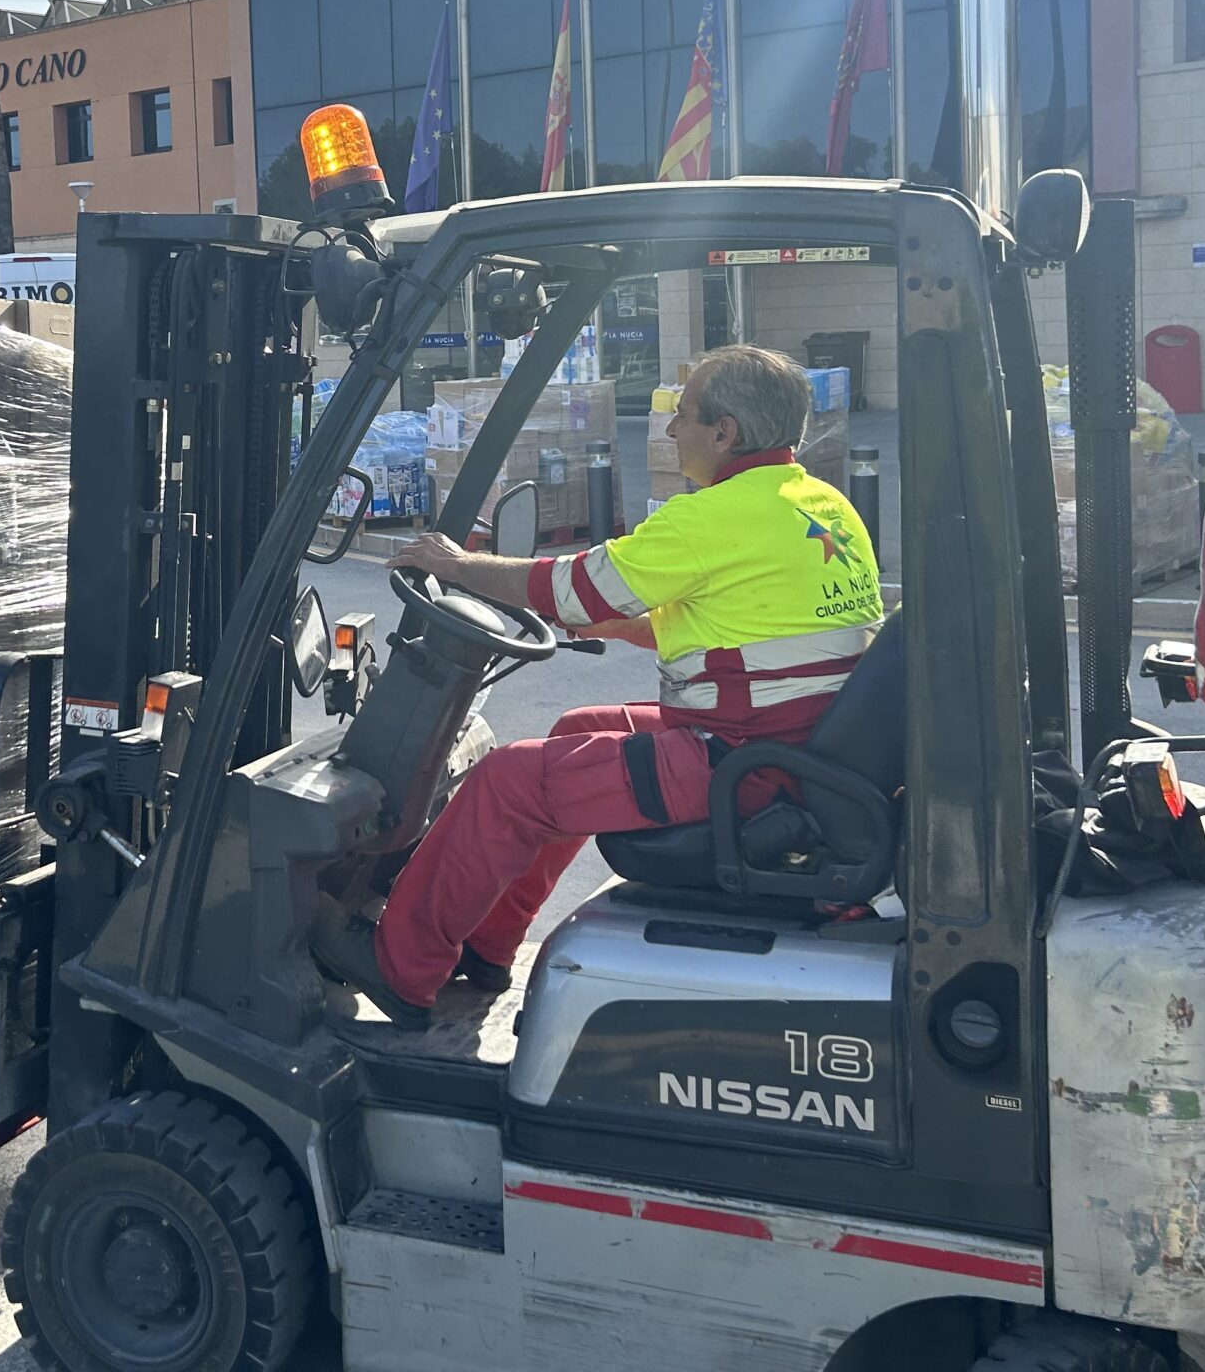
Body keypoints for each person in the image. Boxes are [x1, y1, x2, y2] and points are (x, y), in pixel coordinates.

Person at [313, 343, 884, 1026]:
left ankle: (402, 970)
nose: (670, 427)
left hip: (742, 766)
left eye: (683, 414)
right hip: (796, 746)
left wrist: (459, 566)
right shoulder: (823, 507)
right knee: (578, 729)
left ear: (724, 432)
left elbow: (570, 587)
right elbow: (734, 625)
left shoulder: (713, 517)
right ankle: (490, 946)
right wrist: (603, 620)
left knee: (507, 781)